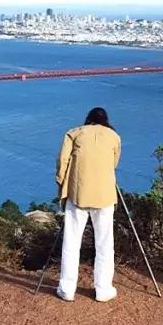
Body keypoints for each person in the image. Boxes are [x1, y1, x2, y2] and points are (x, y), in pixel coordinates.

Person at [55, 107, 121, 303]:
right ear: (105, 121)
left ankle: (67, 289)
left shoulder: (74, 133)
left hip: (78, 194)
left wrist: (62, 184)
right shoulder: (114, 136)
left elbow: (62, 162)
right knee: (105, 244)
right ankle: (103, 290)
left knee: (71, 242)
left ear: (88, 119)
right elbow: (114, 163)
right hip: (105, 195)